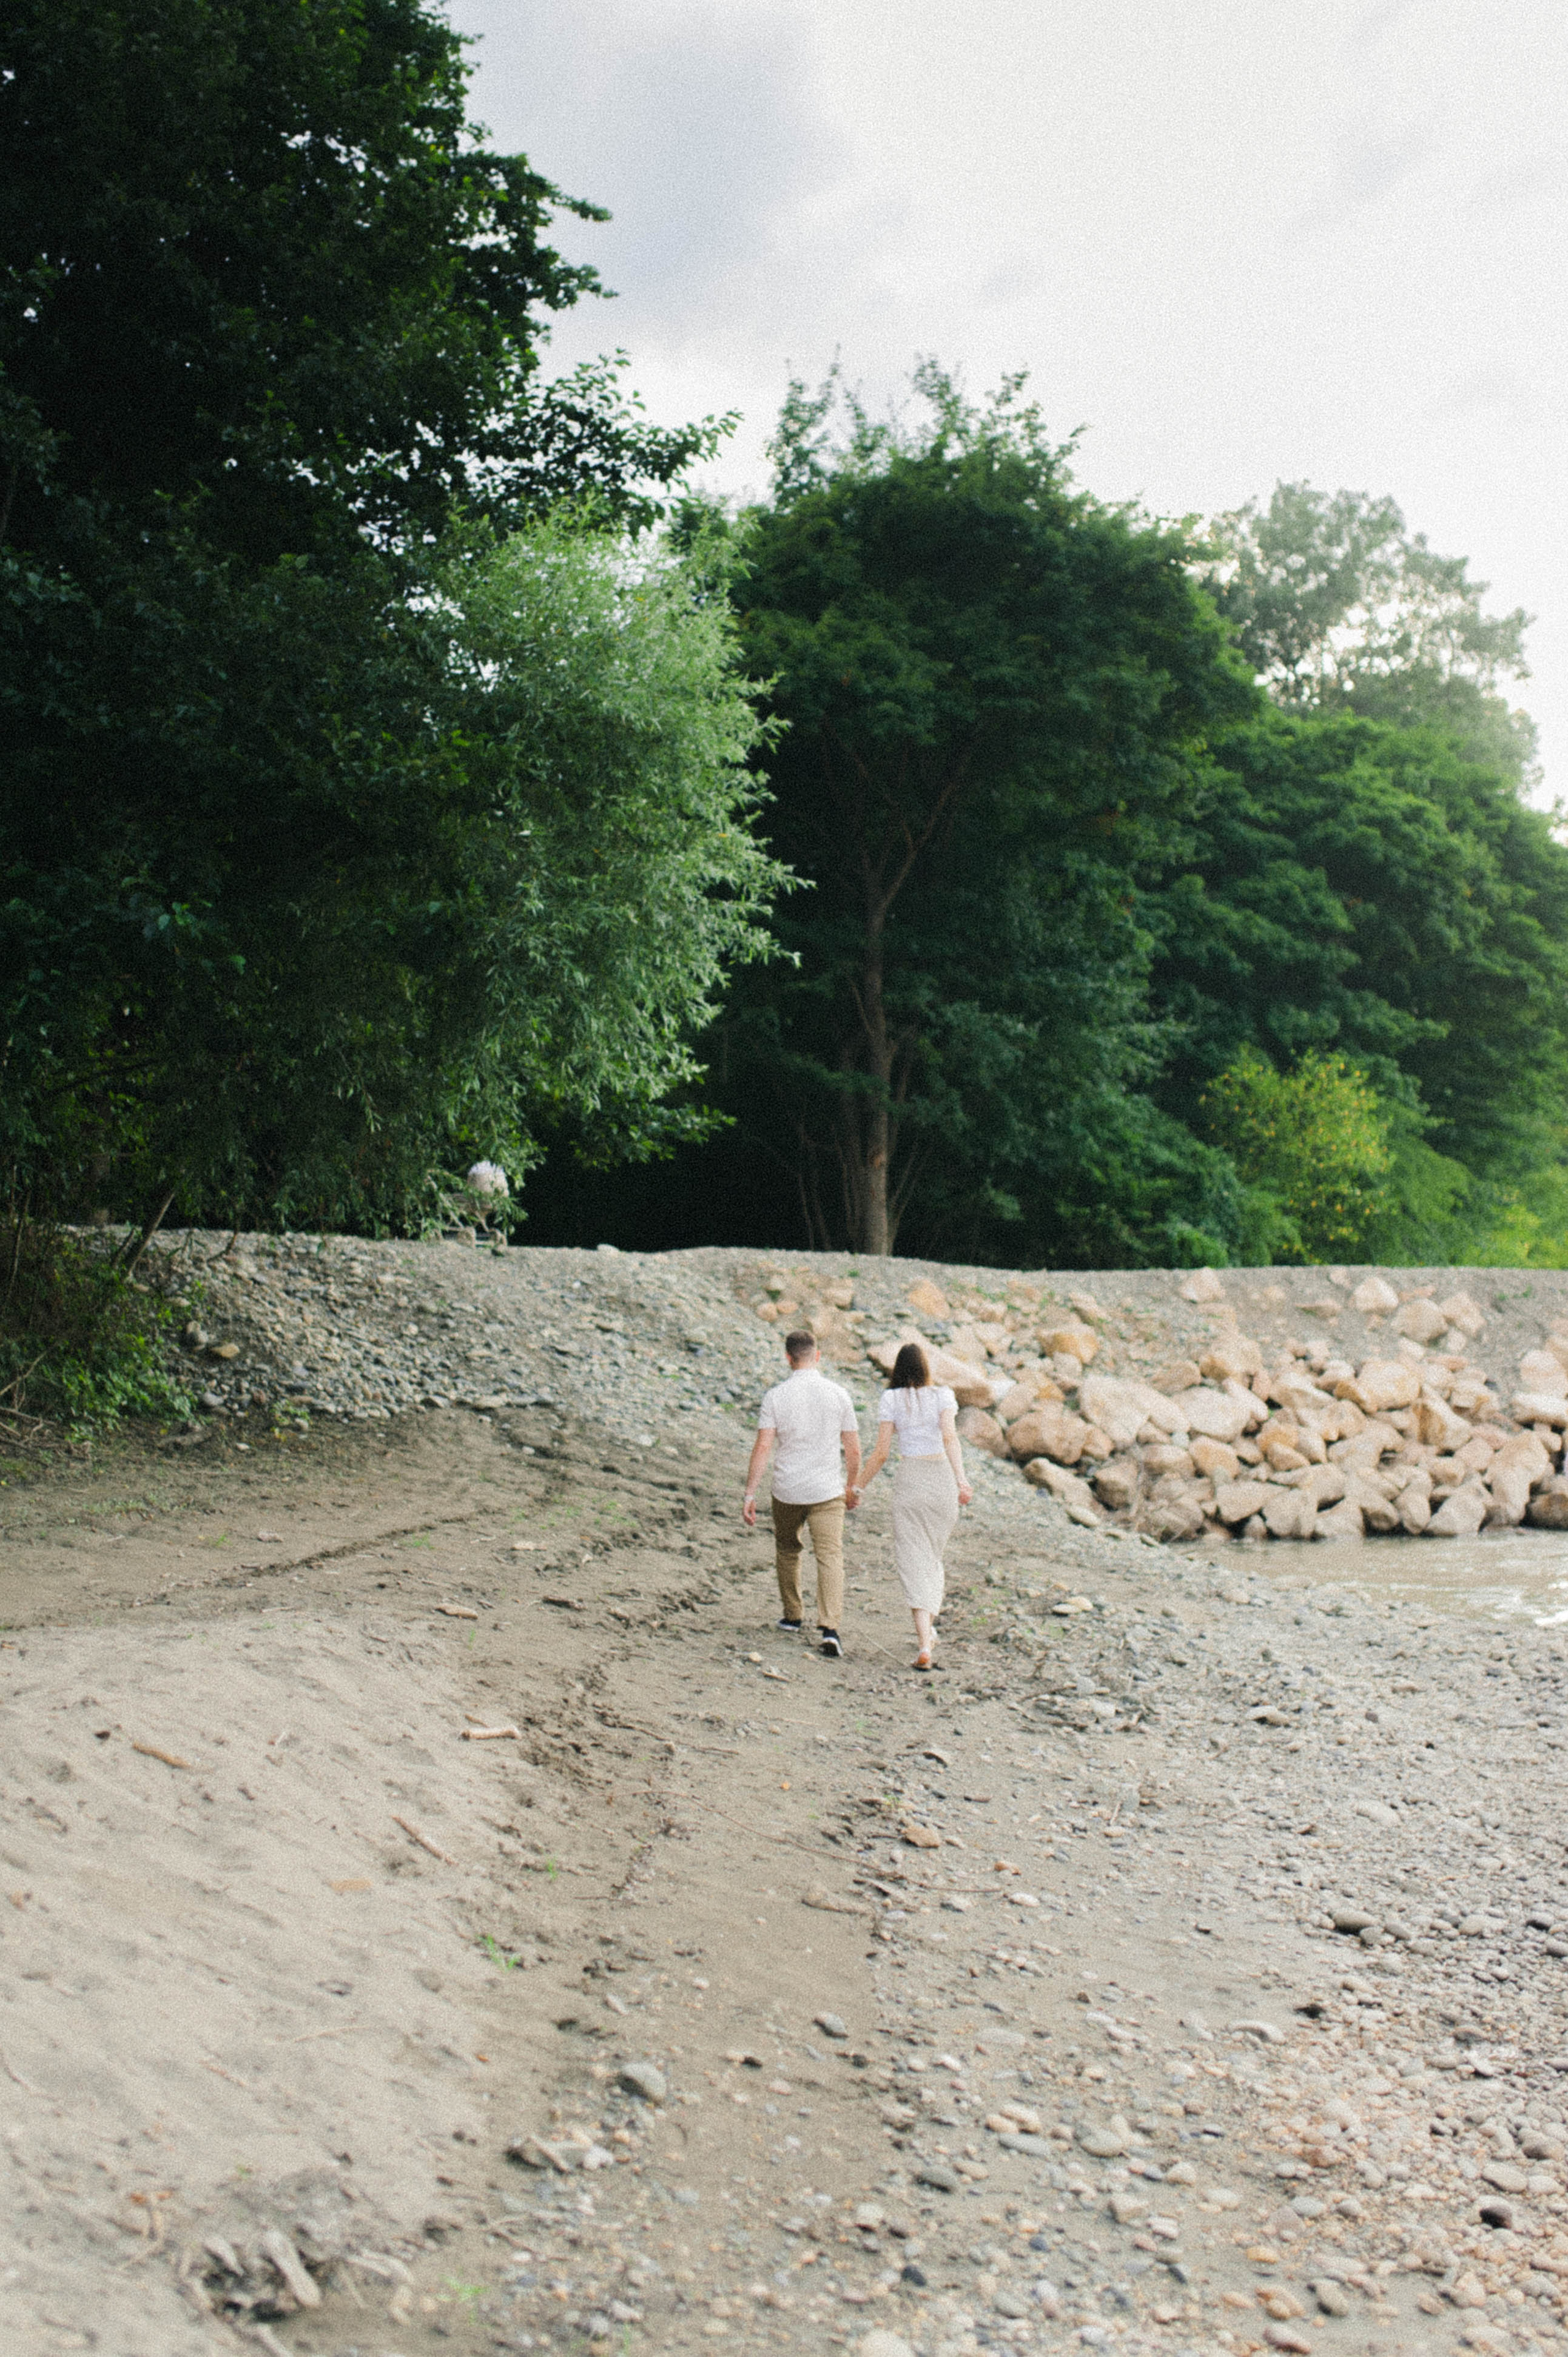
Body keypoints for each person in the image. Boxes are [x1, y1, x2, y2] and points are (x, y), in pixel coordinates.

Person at [848, 1340, 971, 1670]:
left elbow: (881, 1453)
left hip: (911, 1482)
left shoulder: (891, 1399)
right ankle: (928, 1632)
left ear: (897, 1370)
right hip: (942, 1480)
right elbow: (950, 1439)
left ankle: (923, 1643)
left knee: (913, 1559)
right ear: (925, 1368)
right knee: (933, 1557)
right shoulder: (943, 1396)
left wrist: (857, 1486)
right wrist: (962, 1480)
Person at [742, 1331, 862, 1658]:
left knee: (787, 1548)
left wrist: (750, 1493)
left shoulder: (776, 1397)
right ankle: (831, 1628)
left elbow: (764, 1446)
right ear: (818, 1356)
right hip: (827, 1490)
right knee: (830, 1555)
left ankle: (793, 1615)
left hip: (788, 1488)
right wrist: (854, 1486)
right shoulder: (839, 1395)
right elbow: (852, 1449)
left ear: (788, 1358)